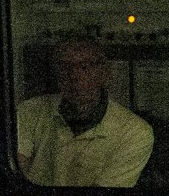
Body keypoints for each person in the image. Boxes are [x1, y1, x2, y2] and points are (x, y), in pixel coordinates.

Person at [16, 37, 155, 187]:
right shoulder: (29, 111)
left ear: (104, 74)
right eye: (65, 67)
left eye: (84, 67)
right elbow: (17, 175)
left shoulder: (134, 131)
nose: (74, 76)